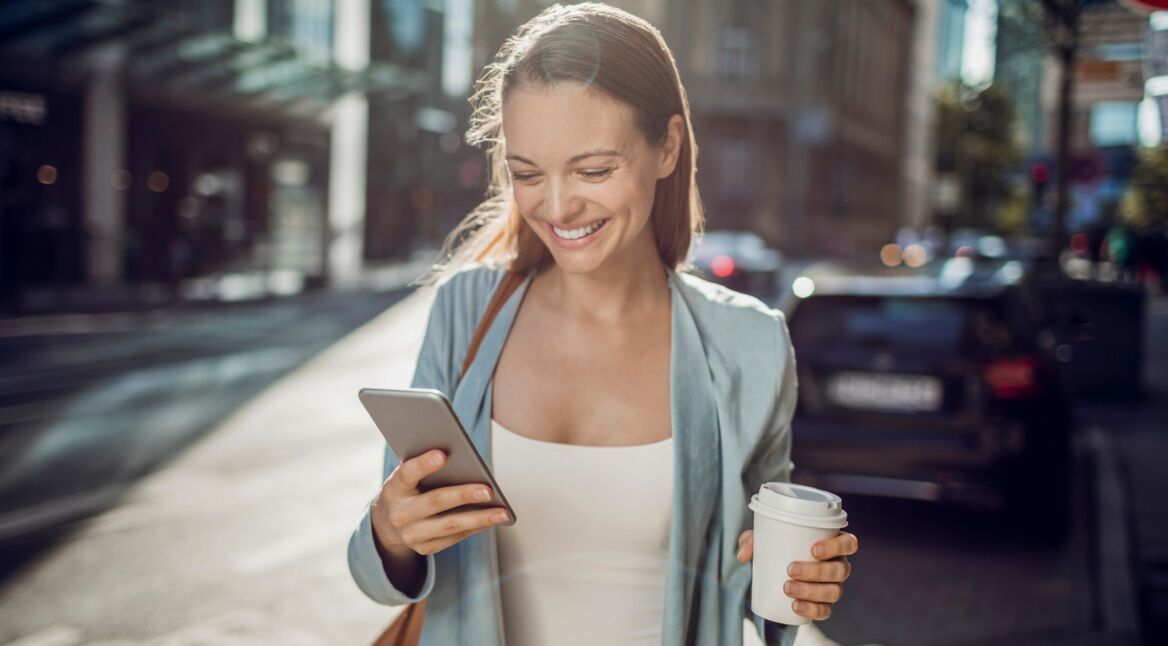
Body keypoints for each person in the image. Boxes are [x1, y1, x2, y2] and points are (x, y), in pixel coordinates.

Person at [347, 4, 859, 645]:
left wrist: (800, 584)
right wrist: (391, 531)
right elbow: (379, 572)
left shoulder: (748, 343)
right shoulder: (465, 308)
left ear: (667, 146)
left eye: (593, 170)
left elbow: (762, 584)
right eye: (527, 174)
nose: (559, 207)